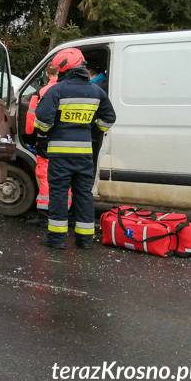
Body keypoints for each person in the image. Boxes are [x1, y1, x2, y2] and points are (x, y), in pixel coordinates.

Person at [34, 47, 116, 250]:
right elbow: (109, 118)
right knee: (84, 194)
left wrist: (47, 133)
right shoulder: (96, 91)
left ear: (64, 69)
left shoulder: (57, 90)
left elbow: (42, 121)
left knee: (60, 194)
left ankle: (57, 239)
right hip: (85, 154)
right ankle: (85, 239)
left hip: (60, 155)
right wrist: (92, 129)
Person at [25, 65, 59, 211]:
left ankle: (44, 209)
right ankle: (65, 208)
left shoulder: (44, 91)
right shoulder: (72, 90)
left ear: (46, 74)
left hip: (46, 139)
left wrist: (30, 135)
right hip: (66, 140)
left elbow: (31, 116)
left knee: (44, 174)